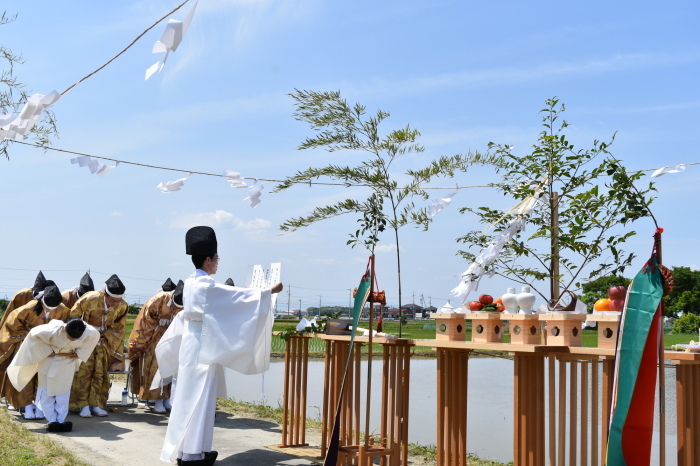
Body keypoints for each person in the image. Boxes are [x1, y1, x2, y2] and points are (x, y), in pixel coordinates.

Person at [154, 226, 282, 465]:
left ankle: (193, 451)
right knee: (198, 400)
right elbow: (237, 299)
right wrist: (269, 291)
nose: (218, 263)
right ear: (208, 259)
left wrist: (254, 292)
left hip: (197, 344)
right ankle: (192, 455)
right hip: (203, 347)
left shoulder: (194, 282)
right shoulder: (205, 286)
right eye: (216, 259)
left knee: (193, 397)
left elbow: (231, 294)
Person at [7, 318, 100, 432]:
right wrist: (46, 350)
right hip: (49, 361)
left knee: (63, 394)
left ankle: (61, 420)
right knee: (46, 393)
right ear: (65, 329)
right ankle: (52, 420)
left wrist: (79, 353)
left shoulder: (89, 332)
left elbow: (95, 337)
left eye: (75, 338)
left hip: (67, 362)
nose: (72, 339)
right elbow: (32, 336)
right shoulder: (50, 330)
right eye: (70, 336)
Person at [0, 285, 70, 419]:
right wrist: (29, 334)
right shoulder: (29, 307)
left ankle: (40, 407)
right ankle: (26, 406)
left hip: (48, 347)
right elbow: (11, 326)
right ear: (42, 300)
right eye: (47, 307)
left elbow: (63, 328)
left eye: (53, 308)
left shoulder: (63, 310)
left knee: (42, 377)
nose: (49, 310)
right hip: (26, 344)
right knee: (25, 374)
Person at [68, 274, 128, 418]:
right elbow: (73, 317)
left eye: (118, 300)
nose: (115, 303)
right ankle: (82, 405)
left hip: (104, 342)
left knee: (100, 374)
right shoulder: (90, 298)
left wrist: (106, 336)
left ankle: (97, 404)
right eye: (113, 300)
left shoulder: (123, 305)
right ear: (104, 294)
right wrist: (87, 333)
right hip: (85, 341)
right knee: (83, 373)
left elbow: (119, 327)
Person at [128, 280, 184, 413]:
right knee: (156, 369)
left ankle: (167, 399)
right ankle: (156, 400)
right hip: (155, 338)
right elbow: (145, 321)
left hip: (174, 337)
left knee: (172, 368)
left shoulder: (185, 303)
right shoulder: (158, 299)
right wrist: (157, 328)